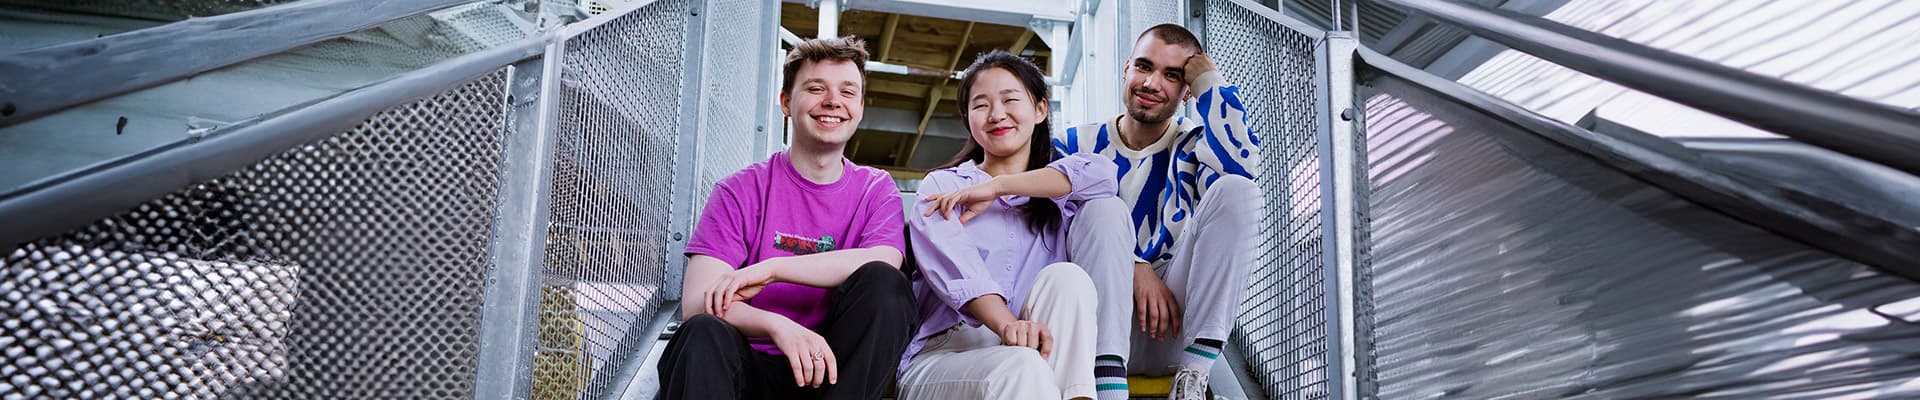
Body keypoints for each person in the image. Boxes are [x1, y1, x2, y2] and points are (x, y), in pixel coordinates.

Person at [655, 36, 916, 400]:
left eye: (847, 91)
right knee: (701, 331)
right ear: (786, 102)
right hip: (741, 369)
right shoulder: (739, 190)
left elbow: (885, 258)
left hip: (829, 374)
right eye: (815, 88)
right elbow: (698, 301)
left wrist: (772, 269)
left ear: (859, 107)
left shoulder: (876, 189)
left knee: (886, 286)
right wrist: (777, 326)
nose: (832, 102)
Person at [896, 50, 1135, 400]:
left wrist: (999, 185)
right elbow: (963, 271)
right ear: (968, 119)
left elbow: (1102, 176)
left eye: (1010, 99)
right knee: (1022, 367)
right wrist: (1008, 326)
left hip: (1037, 356)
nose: (996, 114)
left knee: (1068, 279)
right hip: (947, 356)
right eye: (981, 105)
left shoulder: (1058, 196)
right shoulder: (943, 187)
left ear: (1040, 110)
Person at [1052, 23, 1264, 400]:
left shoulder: (1195, 147)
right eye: (1144, 67)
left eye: (1173, 75)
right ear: (1126, 68)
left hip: (1172, 327)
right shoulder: (1073, 145)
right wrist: (1134, 264)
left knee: (1237, 190)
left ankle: (1194, 378)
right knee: (1101, 208)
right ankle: (1107, 387)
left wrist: (1208, 83)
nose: (1152, 84)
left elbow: (1243, 175)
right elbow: (1049, 227)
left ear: (1185, 92)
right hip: (1092, 329)